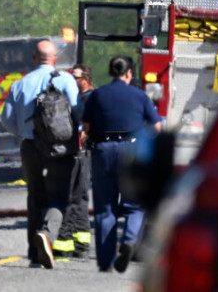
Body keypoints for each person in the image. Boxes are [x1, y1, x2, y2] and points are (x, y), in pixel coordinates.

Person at [1, 40, 80, 269]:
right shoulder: (66, 79)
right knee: (58, 196)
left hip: (30, 146)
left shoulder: (19, 84)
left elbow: (6, 119)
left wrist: (25, 133)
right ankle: (46, 234)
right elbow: (78, 112)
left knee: (35, 197)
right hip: (60, 148)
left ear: (34, 59)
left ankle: (34, 253)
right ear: (55, 59)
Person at [82, 55, 162, 274]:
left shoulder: (97, 94)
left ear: (111, 72)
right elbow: (156, 127)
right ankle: (129, 241)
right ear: (129, 73)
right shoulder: (139, 95)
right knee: (135, 204)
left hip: (104, 151)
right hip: (132, 151)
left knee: (105, 208)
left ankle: (105, 261)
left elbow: (86, 127)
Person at [53, 63, 95, 260]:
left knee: (72, 196)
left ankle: (66, 243)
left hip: (81, 151)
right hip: (79, 151)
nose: (71, 80)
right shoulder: (78, 98)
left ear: (85, 80)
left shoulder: (89, 99)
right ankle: (80, 243)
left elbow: (87, 128)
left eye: (75, 77)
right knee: (79, 196)